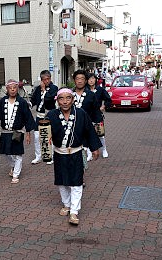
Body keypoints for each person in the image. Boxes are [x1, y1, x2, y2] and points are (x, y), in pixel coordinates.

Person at [46, 88, 102, 225]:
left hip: (76, 153)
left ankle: (74, 211)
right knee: (62, 181)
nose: (65, 101)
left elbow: (89, 131)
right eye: (61, 98)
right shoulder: (52, 115)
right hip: (60, 154)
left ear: (73, 99)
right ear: (57, 101)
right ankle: (66, 204)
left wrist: (94, 148)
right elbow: (44, 133)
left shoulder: (81, 113)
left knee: (76, 182)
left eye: (68, 98)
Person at [0, 79, 35, 183]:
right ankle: (13, 166)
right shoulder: (2, 101)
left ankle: (15, 174)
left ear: (17, 89)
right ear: (7, 89)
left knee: (18, 153)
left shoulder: (22, 102)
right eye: (10, 88)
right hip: (5, 132)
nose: (12, 90)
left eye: (14, 88)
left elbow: (27, 118)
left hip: (17, 132)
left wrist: (28, 134)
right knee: (5, 153)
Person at [30, 70, 58, 165]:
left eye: (48, 79)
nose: (46, 81)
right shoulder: (38, 88)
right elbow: (33, 99)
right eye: (44, 79)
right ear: (41, 80)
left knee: (50, 136)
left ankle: (51, 156)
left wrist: (43, 90)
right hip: (39, 115)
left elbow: (49, 98)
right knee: (37, 136)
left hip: (50, 114)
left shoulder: (54, 88)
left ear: (50, 78)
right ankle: (38, 156)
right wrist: (29, 104)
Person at [86, 72, 112, 159]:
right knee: (88, 134)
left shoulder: (100, 89)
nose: (91, 80)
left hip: (97, 114)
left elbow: (108, 100)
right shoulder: (85, 90)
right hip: (87, 115)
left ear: (96, 79)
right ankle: (89, 153)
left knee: (100, 134)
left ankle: (104, 149)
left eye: (93, 78)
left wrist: (103, 106)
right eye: (89, 79)